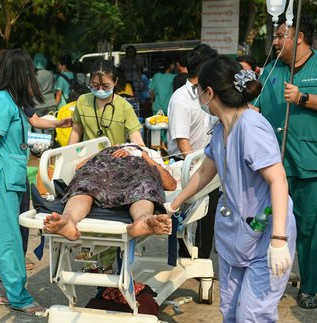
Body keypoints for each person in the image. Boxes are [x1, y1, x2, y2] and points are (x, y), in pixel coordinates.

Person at [166, 56, 296, 323]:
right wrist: (174, 202)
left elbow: (278, 180)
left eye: (198, 92)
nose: (198, 98)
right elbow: (208, 168)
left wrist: (280, 240)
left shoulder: (251, 126)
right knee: (230, 316)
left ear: (210, 93)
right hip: (234, 236)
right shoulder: (221, 129)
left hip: (267, 236)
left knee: (254, 317)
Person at [254, 15, 317, 309]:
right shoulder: (271, 68)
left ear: (298, 38)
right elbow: (254, 105)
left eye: (280, 35)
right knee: (272, 224)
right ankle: (270, 280)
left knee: (311, 228)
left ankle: (309, 287)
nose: (274, 40)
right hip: (275, 165)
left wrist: (304, 98)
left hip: (313, 163)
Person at [0, 49, 72, 268]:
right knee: (4, 235)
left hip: (12, 172)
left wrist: (57, 123)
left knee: (10, 228)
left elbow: (33, 119)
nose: (31, 78)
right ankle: (17, 292)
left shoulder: (13, 98)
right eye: (28, 73)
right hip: (0, 172)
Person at [0, 49, 46, 315]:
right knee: (10, 240)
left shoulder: (9, 100)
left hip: (7, 176)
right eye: (30, 73)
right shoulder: (2, 102)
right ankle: (19, 297)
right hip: (0, 178)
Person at [43, 144, 176, 240]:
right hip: (103, 170)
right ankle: (68, 220)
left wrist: (143, 155)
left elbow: (171, 184)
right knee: (85, 183)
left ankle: (143, 220)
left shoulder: (149, 153)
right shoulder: (109, 149)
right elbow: (80, 167)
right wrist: (106, 151)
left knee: (145, 186)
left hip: (137, 171)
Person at [167, 43, 218, 258]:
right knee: (186, 218)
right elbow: (182, 142)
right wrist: (198, 171)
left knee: (209, 217)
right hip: (188, 166)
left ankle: (202, 261)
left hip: (210, 164)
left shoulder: (211, 93)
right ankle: (186, 258)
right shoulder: (181, 98)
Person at [68, 59, 144, 146]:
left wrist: (130, 149)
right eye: (95, 85)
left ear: (115, 82)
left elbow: (138, 141)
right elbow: (76, 131)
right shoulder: (82, 101)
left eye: (106, 86)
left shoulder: (125, 107)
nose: (100, 90)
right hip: (88, 157)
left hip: (114, 158)